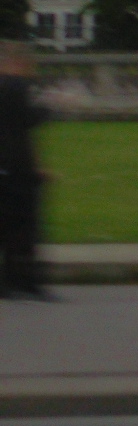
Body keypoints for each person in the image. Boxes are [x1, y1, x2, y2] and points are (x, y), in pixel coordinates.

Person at [0, 42, 55, 300]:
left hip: (9, 166)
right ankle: (26, 282)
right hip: (16, 169)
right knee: (25, 227)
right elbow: (27, 120)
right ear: (21, 62)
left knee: (8, 227)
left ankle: (10, 283)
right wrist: (54, 106)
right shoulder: (16, 86)